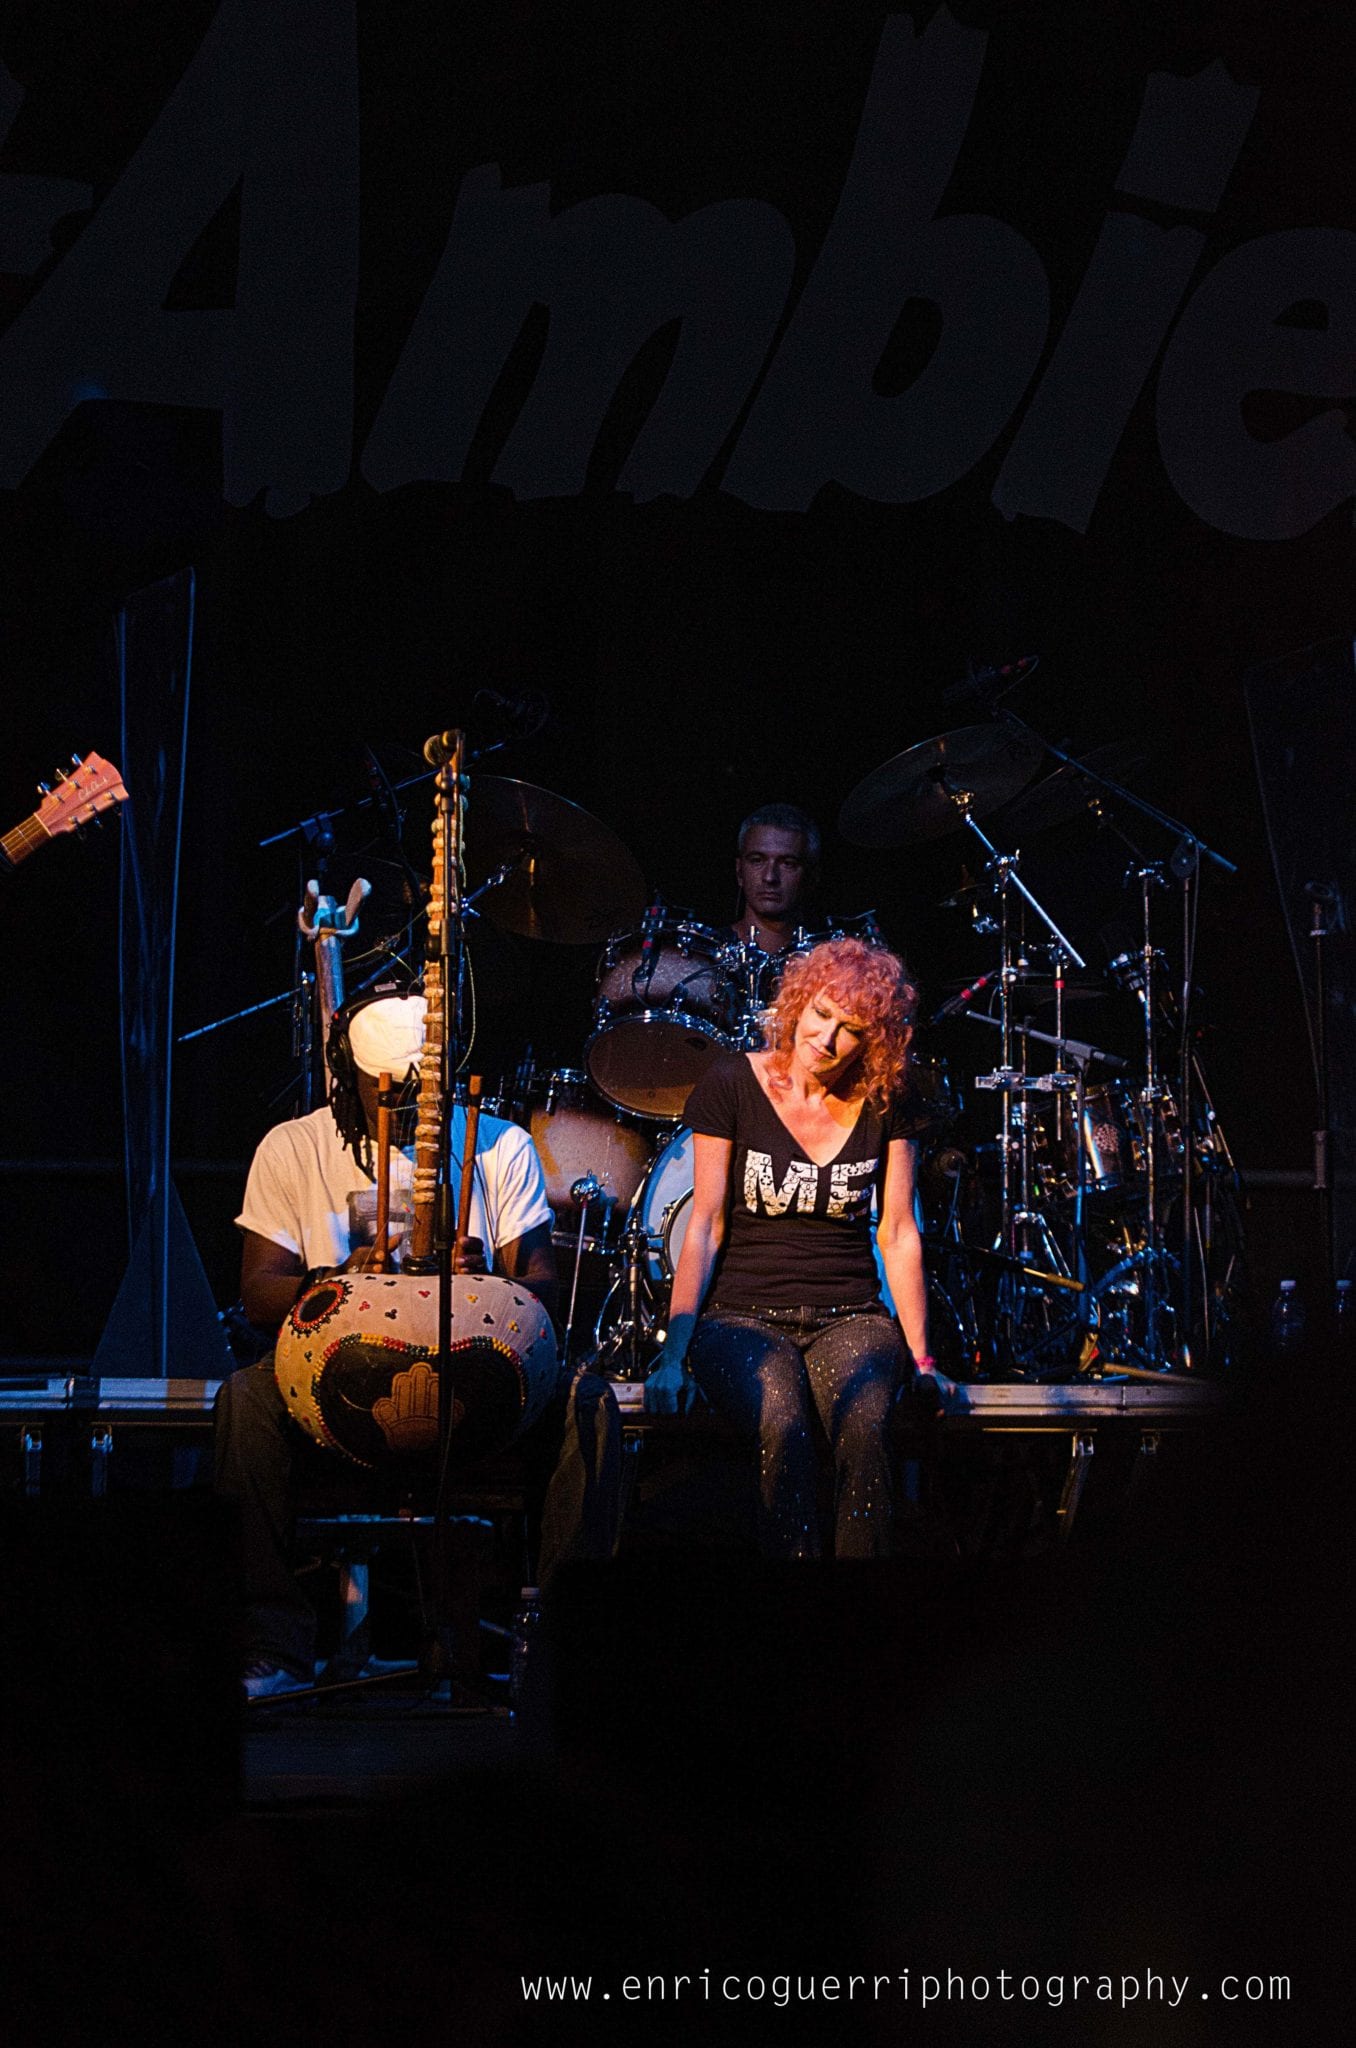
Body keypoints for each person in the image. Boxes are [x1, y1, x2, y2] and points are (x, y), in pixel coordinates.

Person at [215, 989, 617, 1698]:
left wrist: (489, 1280)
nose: (405, 1112)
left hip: (476, 1394)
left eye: (417, 1095)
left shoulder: (499, 1144)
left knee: (589, 1405)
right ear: (349, 1079)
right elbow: (258, 1293)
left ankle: (565, 1645)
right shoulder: (294, 1146)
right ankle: (274, 1645)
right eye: (388, 1096)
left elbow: (545, 1291)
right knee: (245, 1399)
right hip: (337, 1397)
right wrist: (333, 1281)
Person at [644, 937, 954, 1557]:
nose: (827, 1038)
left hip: (850, 1316)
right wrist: (674, 1352)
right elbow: (704, 1225)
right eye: (821, 1013)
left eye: (851, 1029)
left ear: (874, 1041)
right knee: (781, 1423)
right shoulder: (732, 1082)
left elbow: (897, 1232)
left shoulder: (886, 1102)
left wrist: (923, 1362)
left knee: (865, 1427)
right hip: (742, 1317)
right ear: (798, 1004)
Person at [729, 802, 821, 957]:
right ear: (739, 872)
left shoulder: (832, 963)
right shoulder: (704, 958)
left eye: (788, 864)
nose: (770, 877)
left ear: (811, 876)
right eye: (757, 861)